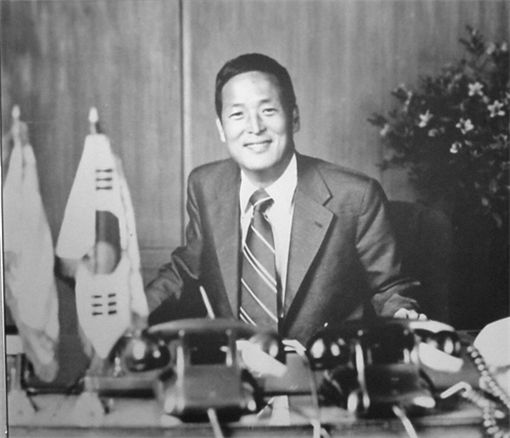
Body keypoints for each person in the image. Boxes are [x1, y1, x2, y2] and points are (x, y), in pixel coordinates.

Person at [145, 53, 424, 344]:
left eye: (268, 110)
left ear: (294, 117)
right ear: (221, 129)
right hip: (237, 362)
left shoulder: (355, 196)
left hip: (320, 363)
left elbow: (388, 288)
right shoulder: (205, 185)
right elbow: (186, 270)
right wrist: (132, 317)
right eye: (237, 114)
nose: (254, 127)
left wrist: (402, 313)